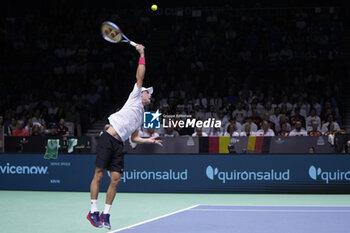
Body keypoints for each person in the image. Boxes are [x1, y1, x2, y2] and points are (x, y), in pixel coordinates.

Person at [87, 45, 162, 230]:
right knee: (98, 175)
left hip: (120, 145)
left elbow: (134, 138)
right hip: (108, 138)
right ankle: (93, 211)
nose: (150, 96)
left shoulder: (140, 116)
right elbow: (140, 76)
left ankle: (106, 214)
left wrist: (148, 140)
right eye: (148, 93)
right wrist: (142, 54)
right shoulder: (135, 96)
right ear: (141, 93)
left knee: (116, 179)